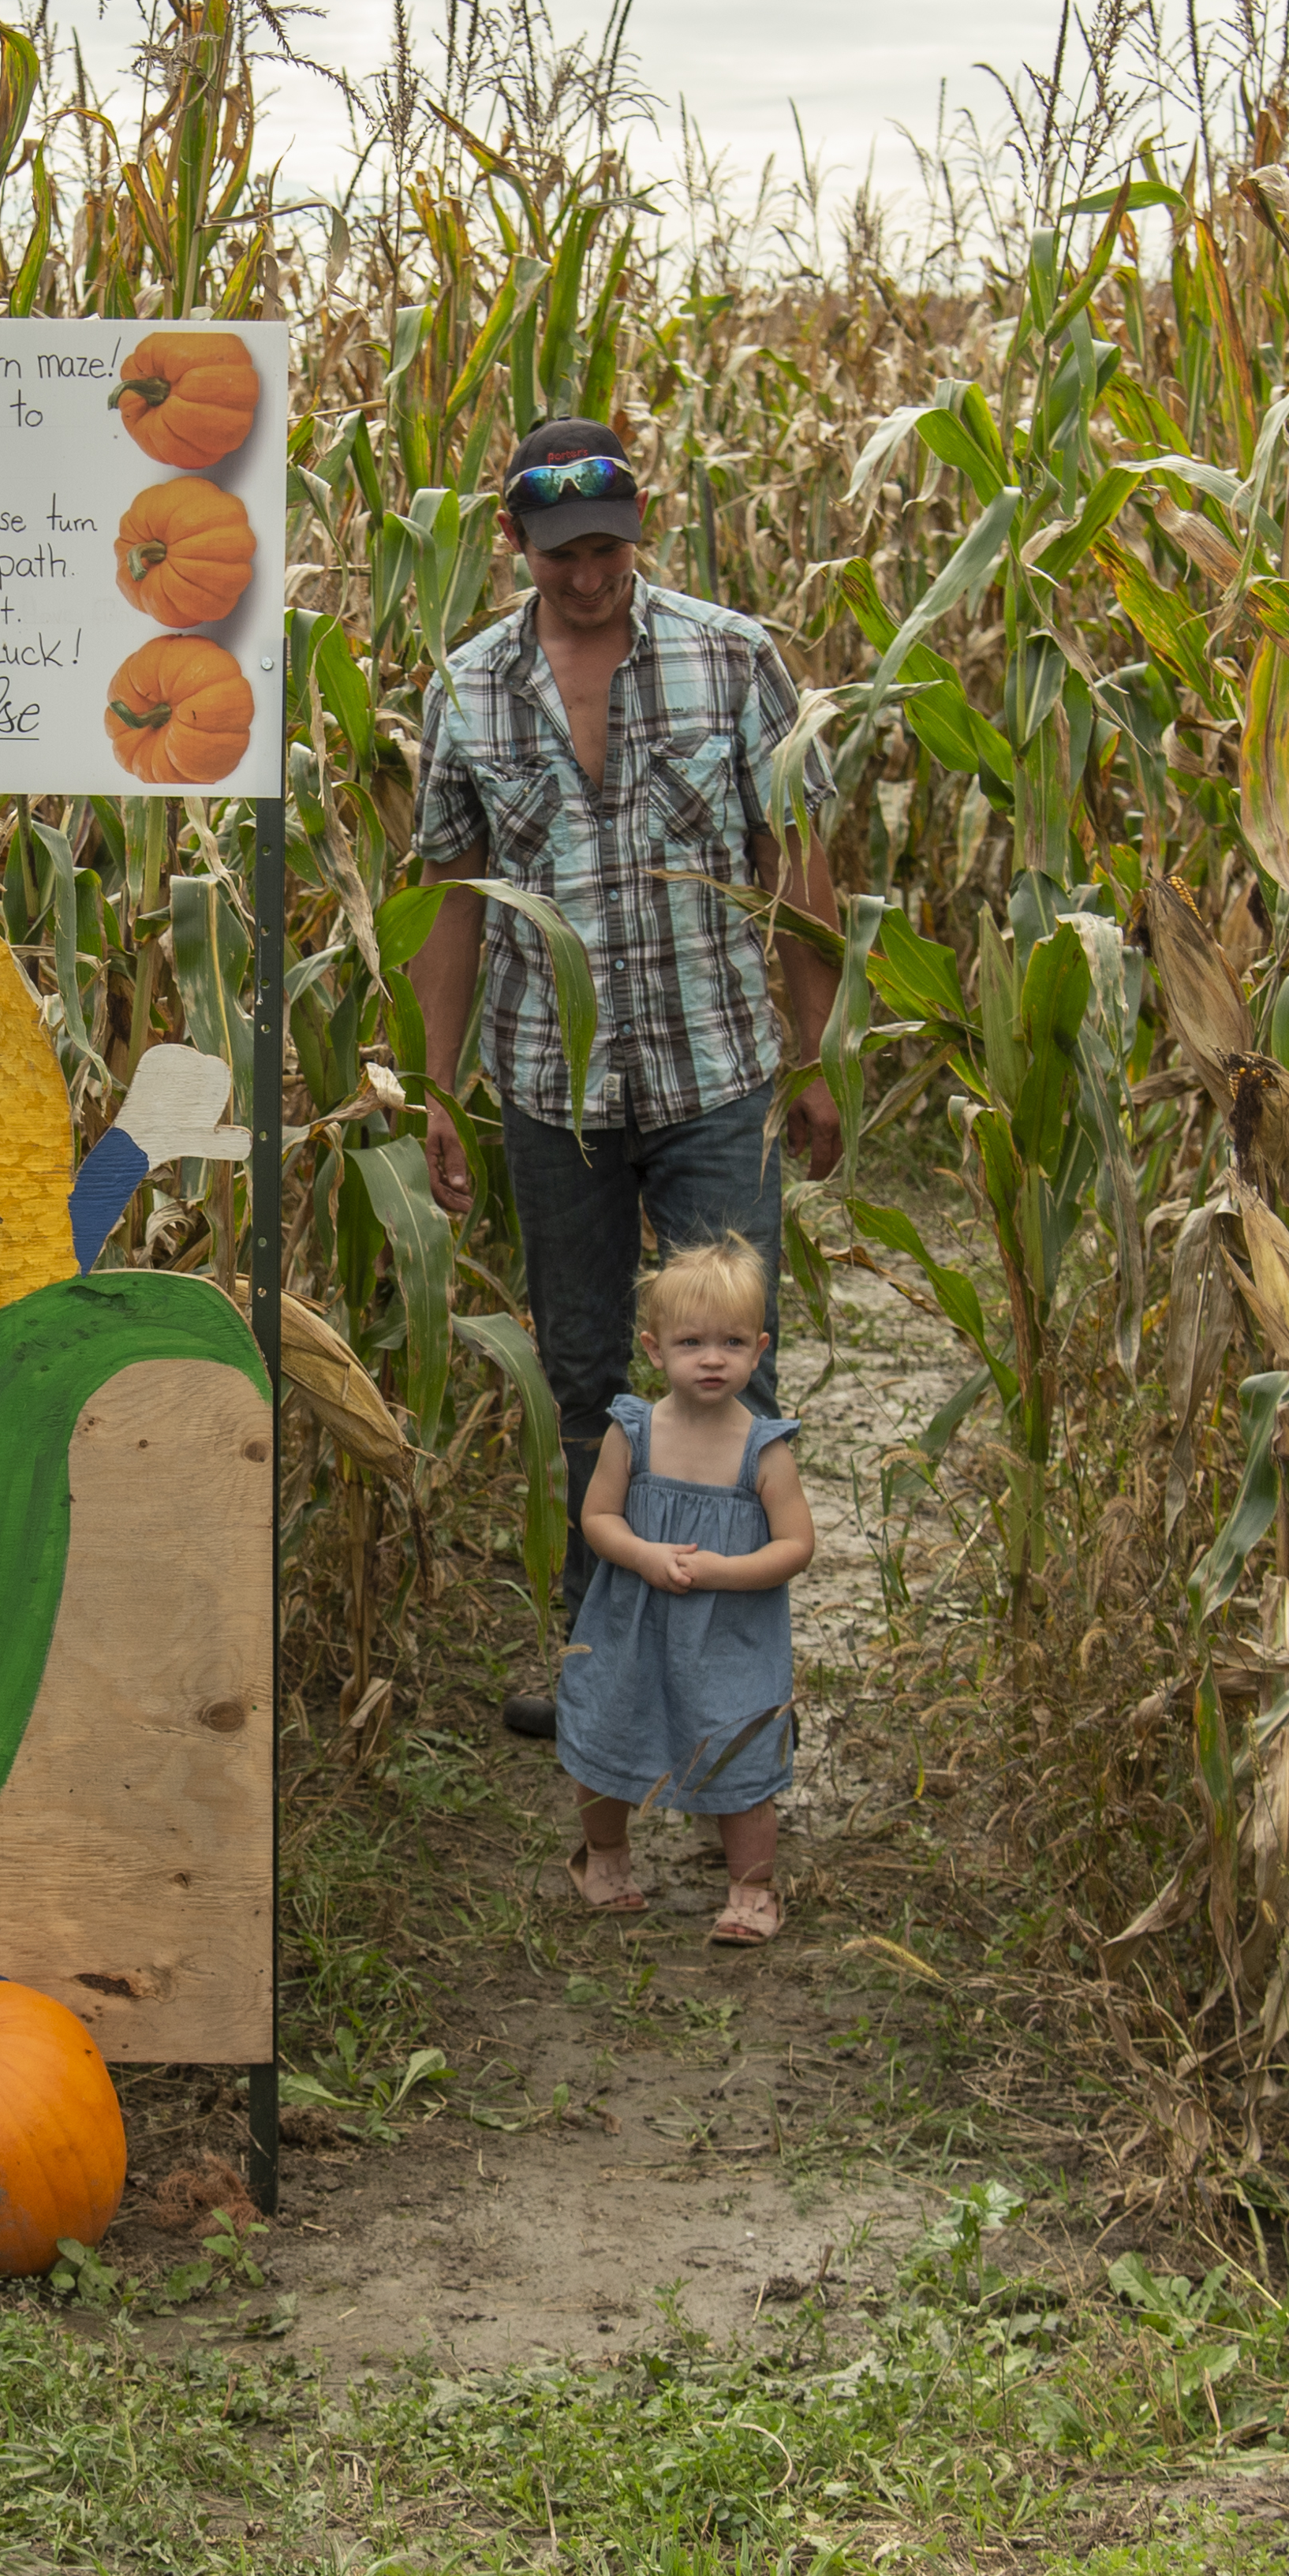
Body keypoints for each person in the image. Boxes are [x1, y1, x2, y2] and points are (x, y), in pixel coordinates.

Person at [409, 416, 843, 1744]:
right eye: (555, 558)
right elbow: (447, 900)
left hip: (717, 1070)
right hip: (553, 1092)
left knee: (730, 1384)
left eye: (602, 549)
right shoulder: (471, 686)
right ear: (514, 547)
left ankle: (729, 1685)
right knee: (590, 1376)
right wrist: (434, 1089)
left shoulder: (732, 656)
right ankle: (605, 1665)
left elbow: (801, 858)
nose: (583, 578)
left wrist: (816, 1055)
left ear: (638, 526)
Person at [551, 1237, 813, 1943]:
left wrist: (723, 1571)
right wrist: (642, 1555)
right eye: (691, 1341)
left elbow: (797, 1544)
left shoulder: (764, 1449)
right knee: (609, 1732)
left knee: (740, 1749)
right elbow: (597, 1517)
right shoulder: (633, 1433)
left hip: (728, 1635)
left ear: (759, 1351)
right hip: (633, 1620)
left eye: (732, 1342)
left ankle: (751, 1891)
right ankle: (604, 1856)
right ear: (654, 1348)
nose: (712, 1358)